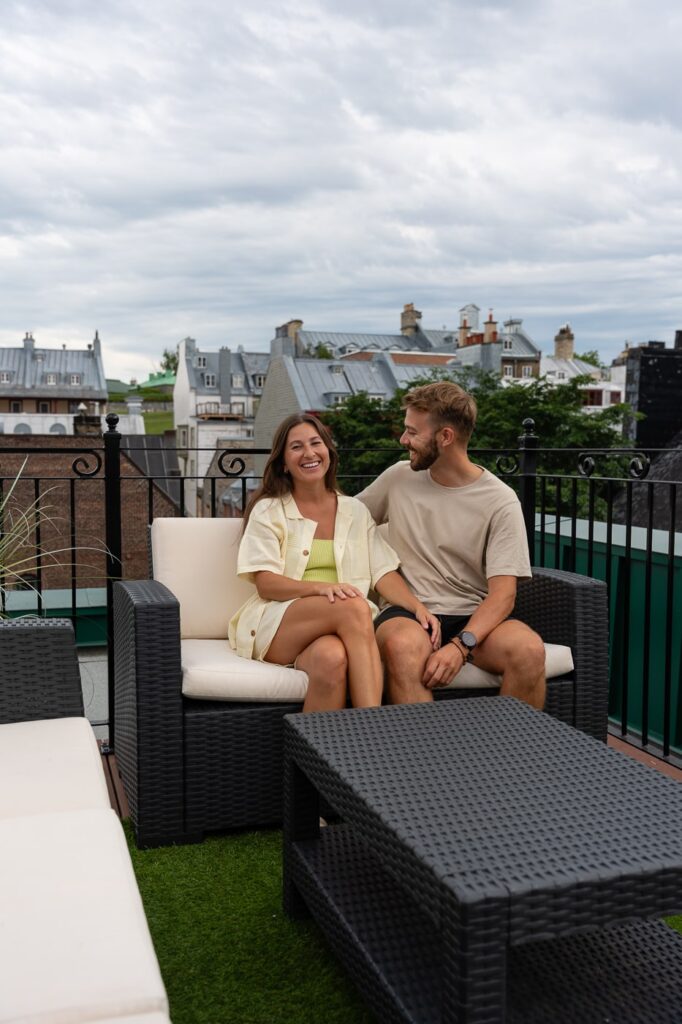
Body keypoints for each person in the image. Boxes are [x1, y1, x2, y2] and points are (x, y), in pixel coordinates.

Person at [228, 413, 440, 712]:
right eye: (296, 447)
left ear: (328, 452)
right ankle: (373, 724)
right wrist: (321, 589)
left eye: (316, 443)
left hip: (337, 628)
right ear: (284, 463)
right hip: (279, 623)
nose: (309, 453)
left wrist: (418, 607)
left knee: (332, 659)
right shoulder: (269, 510)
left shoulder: (355, 511)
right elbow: (266, 584)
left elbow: (383, 573)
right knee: (354, 604)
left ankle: (318, 756)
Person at [357, 380, 546, 709]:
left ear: (445, 437)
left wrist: (461, 646)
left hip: (472, 615)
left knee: (529, 651)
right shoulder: (399, 477)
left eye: (412, 432)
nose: (404, 440)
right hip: (409, 613)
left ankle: (511, 758)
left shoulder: (500, 501)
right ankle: (424, 760)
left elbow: (504, 594)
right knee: (402, 646)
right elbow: (345, 519)